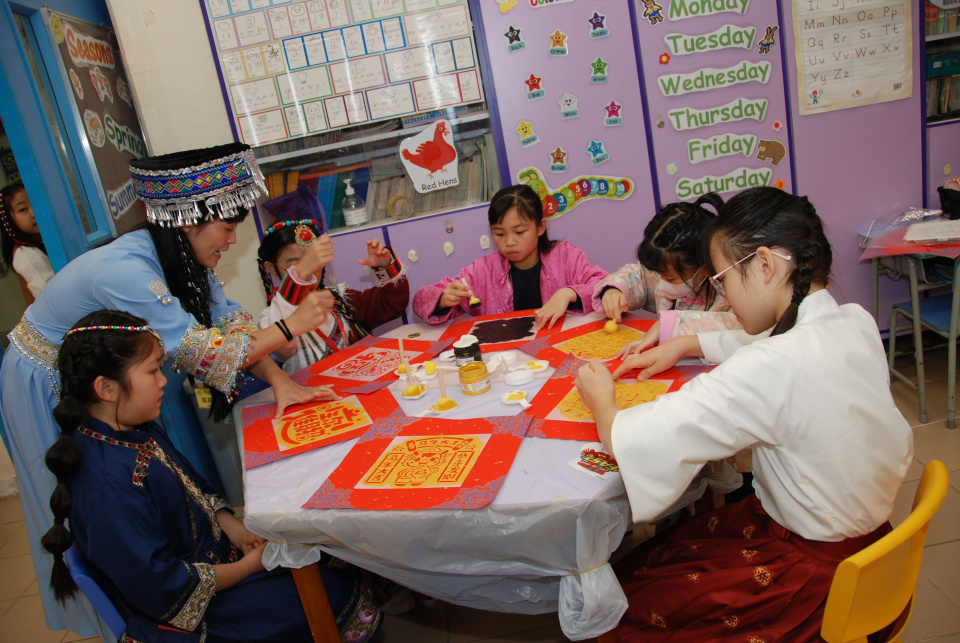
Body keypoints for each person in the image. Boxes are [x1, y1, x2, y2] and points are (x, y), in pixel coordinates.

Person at [0, 143, 337, 637]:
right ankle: (131, 613)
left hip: (103, 379)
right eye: (226, 226)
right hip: (47, 376)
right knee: (92, 500)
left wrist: (281, 381)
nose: (232, 238)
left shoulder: (179, 257)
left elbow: (230, 325)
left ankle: (190, 575)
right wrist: (291, 326)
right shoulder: (130, 271)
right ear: (187, 219)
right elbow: (205, 352)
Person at [574, 187, 913, 641]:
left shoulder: (771, 366)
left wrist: (602, 401)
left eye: (723, 280)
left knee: (625, 602)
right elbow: (773, 346)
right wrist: (687, 343)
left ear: (766, 265)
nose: (725, 297)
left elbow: (636, 438)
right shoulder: (853, 320)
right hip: (873, 546)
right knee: (662, 556)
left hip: (813, 578)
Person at [40, 310, 381, 642]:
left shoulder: (132, 428)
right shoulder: (107, 486)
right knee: (333, 592)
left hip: (218, 563)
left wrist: (238, 532)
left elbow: (194, 488)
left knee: (327, 550)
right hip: (189, 613)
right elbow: (163, 588)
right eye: (153, 371)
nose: (162, 381)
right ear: (107, 388)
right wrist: (252, 565)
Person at [412, 184, 607, 329]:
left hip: (559, 348)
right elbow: (420, 299)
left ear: (540, 227)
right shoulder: (483, 270)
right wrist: (442, 299)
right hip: (506, 360)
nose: (509, 242)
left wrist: (568, 293)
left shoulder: (565, 256)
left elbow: (603, 284)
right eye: (499, 234)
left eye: (519, 232)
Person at [592, 194, 738, 358]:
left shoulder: (730, 294)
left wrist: (670, 325)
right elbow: (637, 276)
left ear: (705, 268)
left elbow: (735, 330)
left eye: (670, 279)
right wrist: (614, 290)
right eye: (658, 274)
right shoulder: (662, 271)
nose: (661, 282)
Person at [257, 217, 408, 374]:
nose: (310, 270)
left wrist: (385, 266)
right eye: (297, 265)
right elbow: (283, 348)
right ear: (272, 268)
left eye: (313, 261)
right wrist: (300, 274)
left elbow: (391, 304)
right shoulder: (272, 319)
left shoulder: (339, 299)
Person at [1, 182, 54, 305]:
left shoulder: (43, 241)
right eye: (22, 209)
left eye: (34, 204)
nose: (33, 213)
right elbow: (52, 298)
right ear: (9, 221)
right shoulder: (26, 255)